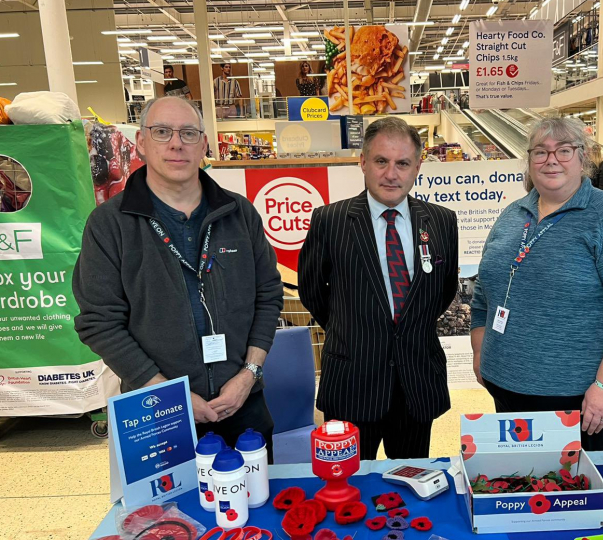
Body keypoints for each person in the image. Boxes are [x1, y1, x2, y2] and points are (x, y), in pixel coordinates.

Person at [72, 96, 283, 451]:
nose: (176, 143)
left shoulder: (239, 213)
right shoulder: (110, 224)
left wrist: (249, 375)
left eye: (188, 133)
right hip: (157, 412)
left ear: (203, 144)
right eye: (162, 132)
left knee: (255, 500)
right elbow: (98, 321)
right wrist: (168, 393)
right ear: (141, 142)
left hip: (243, 405)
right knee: (166, 509)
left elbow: (268, 295)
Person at [470, 117, 603, 451]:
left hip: (576, 401)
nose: (551, 160)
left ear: (583, 157)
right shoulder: (512, 215)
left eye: (564, 150)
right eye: (540, 152)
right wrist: (480, 352)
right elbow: (483, 295)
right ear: (529, 162)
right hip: (505, 388)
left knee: (566, 497)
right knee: (517, 489)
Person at [298, 116, 458, 460]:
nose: (391, 173)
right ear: (363, 163)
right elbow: (312, 290)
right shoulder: (331, 220)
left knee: (412, 483)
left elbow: (442, 292)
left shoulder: (443, 221)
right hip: (353, 380)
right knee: (349, 487)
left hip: (417, 383)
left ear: (417, 166)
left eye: (403, 163)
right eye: (381, 161)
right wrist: (351, 329)